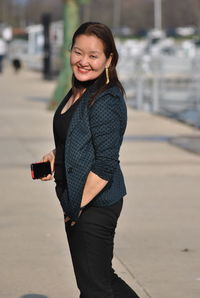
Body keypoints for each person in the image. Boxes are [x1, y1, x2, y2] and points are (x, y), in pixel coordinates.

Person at [40, 22, 139, 298]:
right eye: (78, 52)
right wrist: (56, 156)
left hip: (95, 204)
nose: (83, 61)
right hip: (79, 201)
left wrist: (76, 208)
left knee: (94, 288)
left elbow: (105, 165)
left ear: (109, 59)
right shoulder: (79, 91)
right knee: (101, 280)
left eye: (93, 55)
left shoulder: (106, 99)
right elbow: (81, 138)